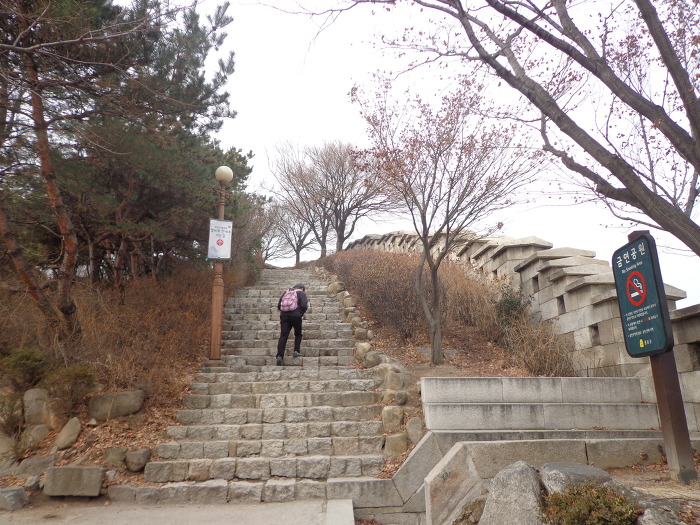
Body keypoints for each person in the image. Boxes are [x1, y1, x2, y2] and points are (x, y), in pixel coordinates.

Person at [276, 283, 308, 366]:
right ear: (302, 288)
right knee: (298, 334)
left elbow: (279, 305)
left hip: (284, 316)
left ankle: (279, 356)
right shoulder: (301, 293)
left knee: (283, 336)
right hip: (296, 316)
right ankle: (296, 351)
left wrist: (285, 312)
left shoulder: (286, 292)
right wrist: (300, 313)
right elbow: (304, 305)